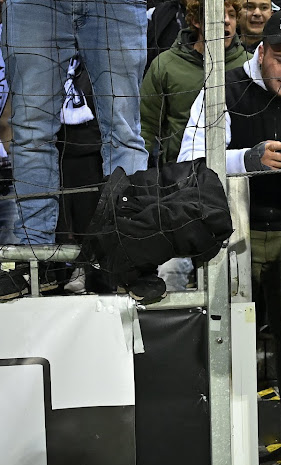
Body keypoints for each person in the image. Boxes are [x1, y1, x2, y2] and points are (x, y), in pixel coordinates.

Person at [178, 9, 281, 465]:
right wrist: (248, 158)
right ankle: (223, 425)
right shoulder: (222, 89)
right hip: (232, 232)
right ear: (260, 52)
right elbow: (188, 159)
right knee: (228, 333)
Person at [0, 0, 149, 297]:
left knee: (124, 133)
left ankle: (129, 256)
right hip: (36, 4)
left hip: (115, 4)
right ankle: (33, 261)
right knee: (31, 133)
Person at [141, 0, 250, 167]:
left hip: (240, 169)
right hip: (180, 174)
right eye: (219, 15)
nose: (227, 21)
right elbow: (145, 126)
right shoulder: (165, 66)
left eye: (232, 15)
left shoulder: (250, 66)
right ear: (197, 21)